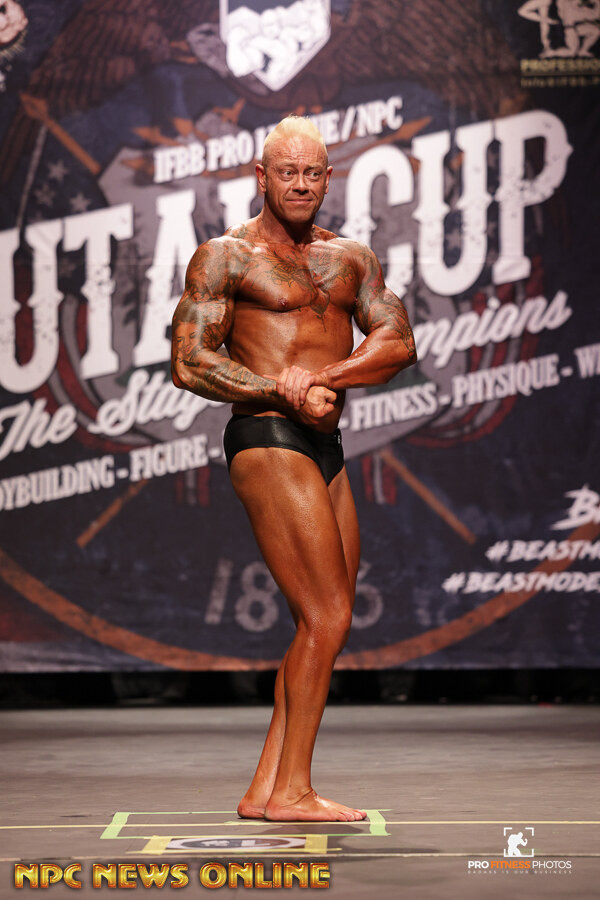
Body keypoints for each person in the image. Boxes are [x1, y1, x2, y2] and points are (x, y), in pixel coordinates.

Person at [171, 115, 417, 822]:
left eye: (313, 173)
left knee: (321, 622)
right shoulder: (226, 256)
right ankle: (293, 793)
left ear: (328, 179)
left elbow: (398, 341)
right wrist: (278, 389)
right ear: (262, 176)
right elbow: (189, 361)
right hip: (267, 434)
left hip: (325, 442)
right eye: (288, 172)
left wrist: (325, 377)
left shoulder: (351, 258)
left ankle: (265, 788)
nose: (301, 184)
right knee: (327, 615)